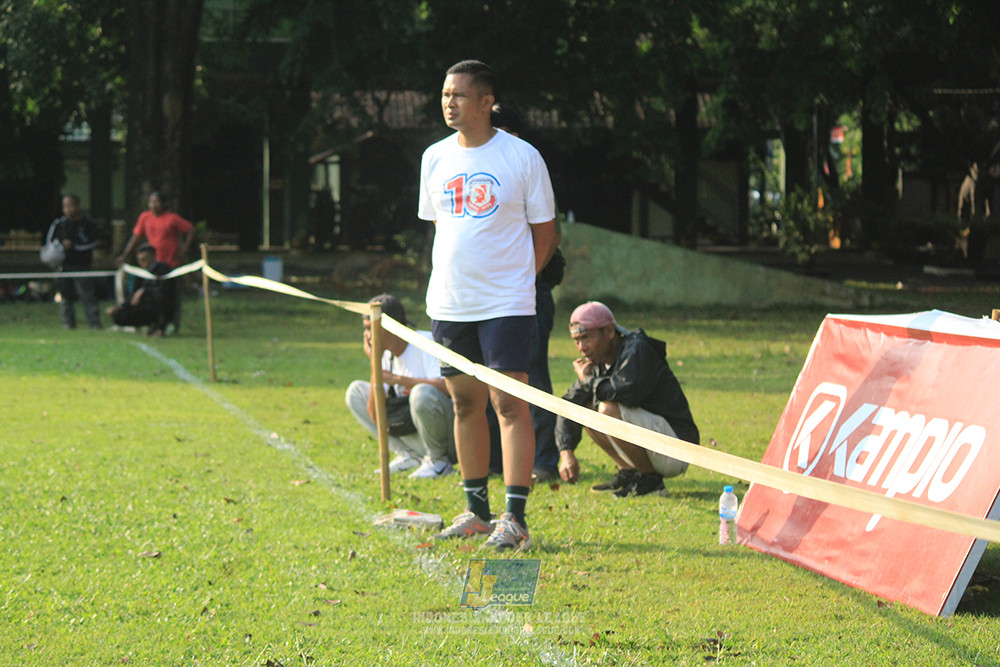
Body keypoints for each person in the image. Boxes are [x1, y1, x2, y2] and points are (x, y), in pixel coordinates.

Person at [418, 60, 557, 551]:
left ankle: (514, 517)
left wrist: (518, 282)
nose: (448, 103)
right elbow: (440, 229)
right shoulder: (434, 157)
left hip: (507, 305)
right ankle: (476, 510)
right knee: (464, 403)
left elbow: (546, 233)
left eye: (457, 95)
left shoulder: (521, 156)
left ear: (485, 102)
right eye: (444, 94)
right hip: (451, 304)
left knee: (509, 404)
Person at [488, 102, 565, 483]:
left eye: (498, 128)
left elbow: (549, 237)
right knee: (489, 378)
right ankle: (496, 461)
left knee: (532, 375)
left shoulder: (527, 167)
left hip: (528, 292)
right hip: (487, 296)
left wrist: (523, 279)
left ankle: (545, 461)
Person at [555, 302, 700, 498]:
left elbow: (627, 392)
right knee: (587, 409)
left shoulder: (638, 350)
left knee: (607, 409)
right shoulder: (598, 363)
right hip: (656, 444)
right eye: (576, 340)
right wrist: (566, 451)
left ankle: (651, 481)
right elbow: (569, 404)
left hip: (676, 449)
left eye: (586, 338)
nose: (582, 348)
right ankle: (629, 473)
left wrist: (588, 381)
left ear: (609, 332)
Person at [344, 294, 457, 479]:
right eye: (365, 329)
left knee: (422, 393)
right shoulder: (383, 355)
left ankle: (439, 462)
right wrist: (375, 364)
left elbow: (448, 387)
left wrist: (398, 379)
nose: (367, 335)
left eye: (371, 328)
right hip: (417, 435)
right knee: (355, 392)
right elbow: (374, 416)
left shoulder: (424, 343)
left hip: (450, 439)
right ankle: (408, 455)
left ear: (390, 326)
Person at [116, 191, 194, 333]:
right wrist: (124, 255)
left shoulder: (172, 218)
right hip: (152, 266)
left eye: (156, 202)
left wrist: (184, 250)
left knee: (171, 297)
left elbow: (189, 229)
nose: (153, 205)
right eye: (151, 202)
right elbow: (136, 237)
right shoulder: (145, 217)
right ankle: (152, 323)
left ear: (164, 203)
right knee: (148, 296)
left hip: (170, 266)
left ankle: (172, 324)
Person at [45, 194, 102, 329]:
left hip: (82, 265)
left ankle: (94, 323)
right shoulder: (59, 224)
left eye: (71, 205)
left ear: (77, 206)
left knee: (87, 295)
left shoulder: (88, 223)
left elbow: (93, 241)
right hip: (63, 266)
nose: (68, 209)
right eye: (65, 206)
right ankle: (68, 323)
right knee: (65, 296)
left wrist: (75, 246)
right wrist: (61, 245)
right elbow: (50, 241)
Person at [106, 243, 175, 336]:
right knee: (119, 316)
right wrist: (120, 307)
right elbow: (133, 293)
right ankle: (147, 324)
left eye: (144, 259)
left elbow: (162, 292)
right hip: (142, 305)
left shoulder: (163, 269)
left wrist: (143, 292)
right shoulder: (140, 272)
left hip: (158, 305)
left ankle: (159, 325)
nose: (141, 262)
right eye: (139, 260)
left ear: (152, 257)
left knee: (157, 306)